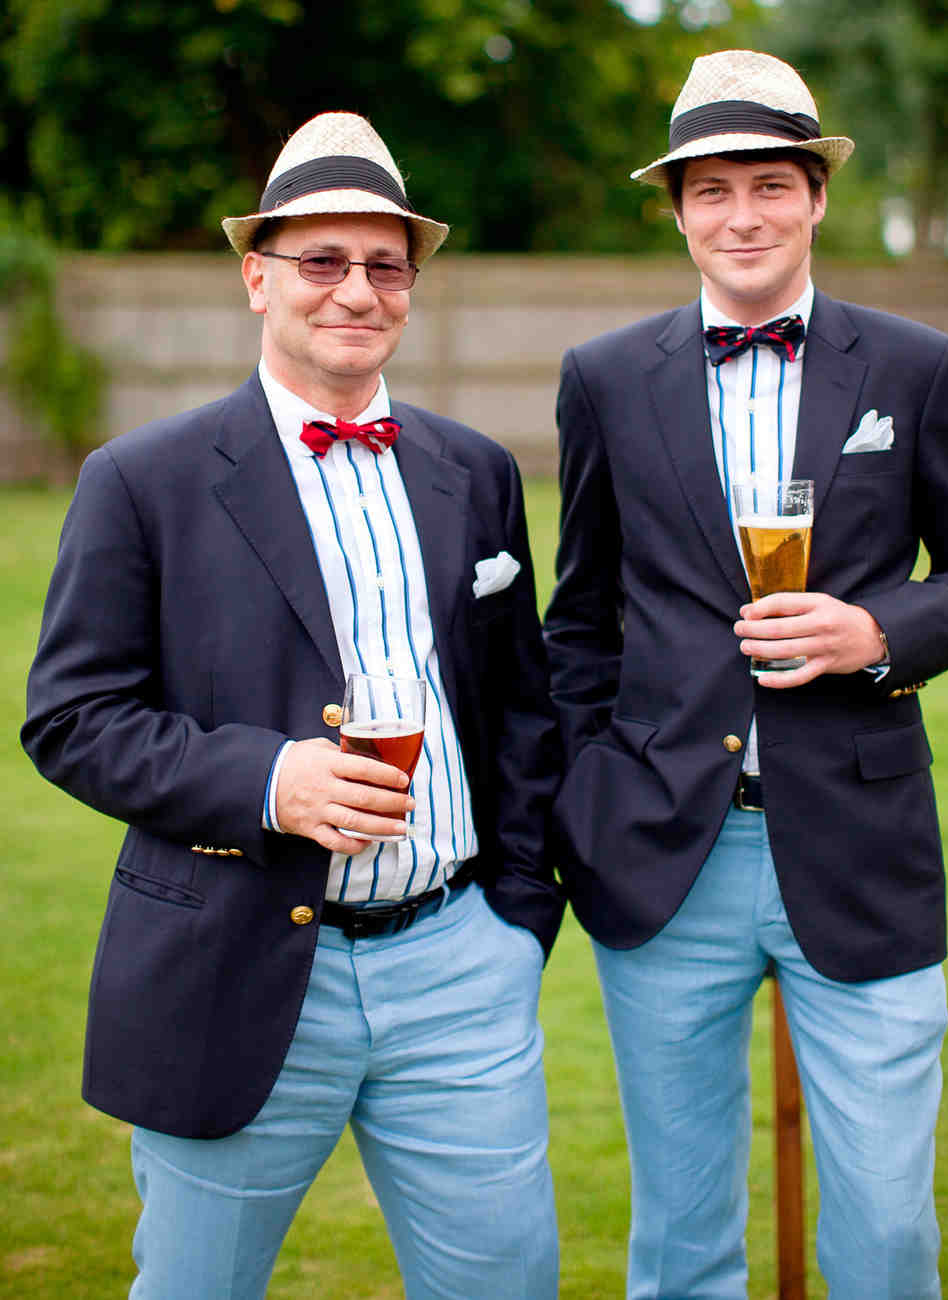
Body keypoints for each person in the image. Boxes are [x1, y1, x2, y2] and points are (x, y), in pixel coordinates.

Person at [22, 111, 564, 1300]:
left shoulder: (474, 472)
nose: (355, 291)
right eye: (322, 260)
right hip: (234, 958)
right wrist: (271, 779)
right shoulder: (141, 480)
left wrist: (515, 920)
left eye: (384, 265)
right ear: (257, 276)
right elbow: (70, 717)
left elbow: (523, 710)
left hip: (455, 968)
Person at [543, 48, 948, 1300]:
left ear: (815, 195)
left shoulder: (914, 367)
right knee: (680, 1237)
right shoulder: (602, 378)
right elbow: (580, 617)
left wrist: (875, 634)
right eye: (710, 190)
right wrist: (594, 792)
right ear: (676, 210)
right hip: (663, 854)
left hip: (859, 842)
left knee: (882, 1230)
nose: (741, 215)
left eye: (769, 183)